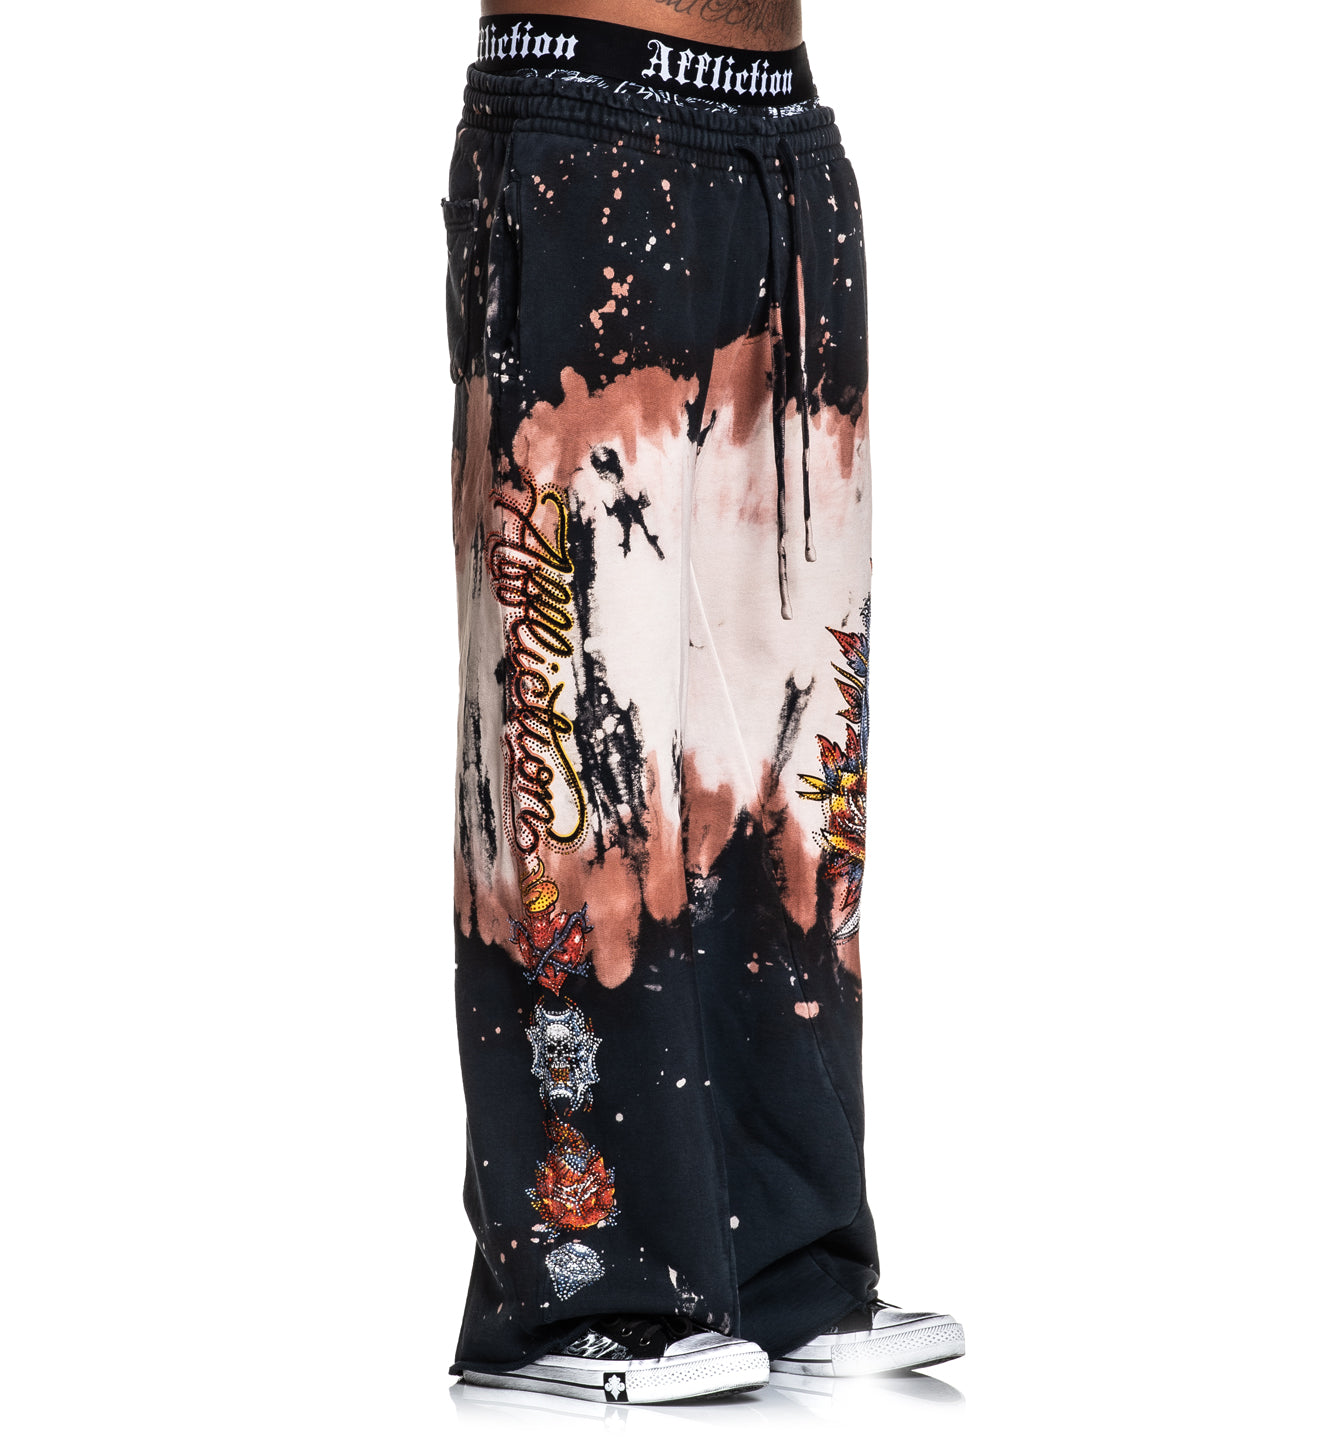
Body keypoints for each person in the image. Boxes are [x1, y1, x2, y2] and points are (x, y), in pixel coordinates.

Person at [443, 0, 964, 1403]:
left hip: (785, 138)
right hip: (586, 117)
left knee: (789, 756)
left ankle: (785, 1262)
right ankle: (575, 1292)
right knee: (575, 731)